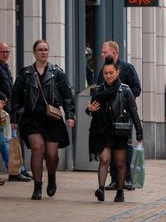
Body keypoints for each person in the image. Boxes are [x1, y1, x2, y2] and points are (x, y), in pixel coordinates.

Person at [11, 40, 75, 200]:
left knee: (52, 154)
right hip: (31, 118)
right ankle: (37, 186)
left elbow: (67, 95)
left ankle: (51, 177)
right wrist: (14, 118)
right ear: (34, 52)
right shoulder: (25, 73)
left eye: (46, 49)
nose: (43, 52)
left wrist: (70, 115)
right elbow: (16, 97)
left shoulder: (57, 72)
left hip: (52, 117)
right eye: (40, 50)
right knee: (37, 148)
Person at [87, 56, 143, 202]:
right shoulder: (99, 90)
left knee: (119, 163)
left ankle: (120, 191)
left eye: (111, 72)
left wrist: (139, 131)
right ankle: (101, 189)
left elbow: (133, 112)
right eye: (105, 73)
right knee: (104, 159)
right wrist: (89, 110)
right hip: (103, 130)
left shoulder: (125, 90)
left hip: (119, 130)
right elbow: (91, 110)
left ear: (117, 72)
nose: (108, 75)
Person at [98, 41, 141, 191]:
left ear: (114, 53)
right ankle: (114, 180)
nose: (102, 54)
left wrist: (125, 101)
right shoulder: (103, 70)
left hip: (123, 117)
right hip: (107, 118)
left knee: (124, 148)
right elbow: (99, 89)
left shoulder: (127, 68)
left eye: (104, 52)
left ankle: (127, 179)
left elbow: (136, 88)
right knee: (110, 147)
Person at [0, 42, 31, 182]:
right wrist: (3, 98)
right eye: (2, 52)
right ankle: (16, 170)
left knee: (11, 140)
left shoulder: (4, 67)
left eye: (7, 52)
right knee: (7, 141)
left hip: (7, 110)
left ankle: (19, 169)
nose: (5, 54)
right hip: (2, 109)